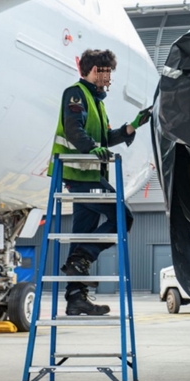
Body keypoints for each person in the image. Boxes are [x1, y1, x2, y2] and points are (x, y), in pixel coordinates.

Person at [48, 49, 152, 316]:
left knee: (81, 235)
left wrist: (133, 126)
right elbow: (74, 129)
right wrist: (91, 147)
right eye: (106, 71)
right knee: (123, 217)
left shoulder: (97, 102)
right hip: (80, 174)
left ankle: (75, 298)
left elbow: (105, 138)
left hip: (89, 175)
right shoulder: (76, 93)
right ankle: (82, 259)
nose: (109, 77)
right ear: (94, 70)